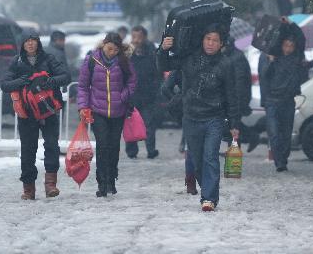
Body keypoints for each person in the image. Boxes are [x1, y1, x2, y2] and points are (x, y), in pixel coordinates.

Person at [158, 25, 240, 212]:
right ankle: (208, 190)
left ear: (221, 44)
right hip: (191, 117)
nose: (211, 43)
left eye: (215, 40)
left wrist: (234, 122)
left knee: (210, 156)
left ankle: (209, 198)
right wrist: (163, 49)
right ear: (202, 40)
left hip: (214, 118)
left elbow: (231, 96)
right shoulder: (189, 59)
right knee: (197, 159)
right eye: (208, 39)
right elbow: (164, 65)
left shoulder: (226, 64)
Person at [1, 31, 70, 200]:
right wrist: (21, 81)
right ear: (22, 45)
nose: (30, 44)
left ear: (38, 43)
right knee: (28, 151)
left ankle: (50, 185)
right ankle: (28, 189)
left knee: (52, 146)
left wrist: (51, 82)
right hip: (27, 114)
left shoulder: (49, 59)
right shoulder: (16, 62)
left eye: (33, 41)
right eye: (27, 41)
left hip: (48, 111)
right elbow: (5, 84)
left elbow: (66, 76)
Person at [77, 32, 137, 198]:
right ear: (103, 45)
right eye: (109, 48)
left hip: (118, 111)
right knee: (102, 145)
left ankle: (112, 179)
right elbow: (82, 86)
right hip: (98, 110)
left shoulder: (124, 62)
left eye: (115, 50)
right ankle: (102, 183)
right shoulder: (91, 60)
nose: (112, 52)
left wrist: (123, 96)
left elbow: (132, 82)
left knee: (114, 146)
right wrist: (83, 106)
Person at [258, 18, 313, 172]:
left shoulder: (296, 59)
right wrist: (270, 62)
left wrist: (291, 24)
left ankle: (283, 157)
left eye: (291, 46)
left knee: (286, 134)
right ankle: (279, 163)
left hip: (288, 102)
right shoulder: (271, 58)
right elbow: (264, 76)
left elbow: (301, 39)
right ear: (281, 45)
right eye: (286, 45)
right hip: (272, 102)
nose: (288, 48)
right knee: (274, 133)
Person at [126, 25, 161, 159]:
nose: (136, 40)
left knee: (149, 124)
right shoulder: (127, 53)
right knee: (131, 124)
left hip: (148, 95)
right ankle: (131, 151)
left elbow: (157, 74)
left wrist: (155, 89)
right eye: (133, 37)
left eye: (138, 37)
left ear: (144, 37)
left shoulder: (152, 52)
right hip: (131, 96)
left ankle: (151, 150)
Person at [223, 44, 255, 151]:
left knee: (233, 128)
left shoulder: (237, 58)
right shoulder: (228, 56)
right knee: (231, 126)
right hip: (231, 99)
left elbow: (240, 83)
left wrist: (237, 102)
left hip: (237, 100)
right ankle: (252, 136)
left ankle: (233, 160)